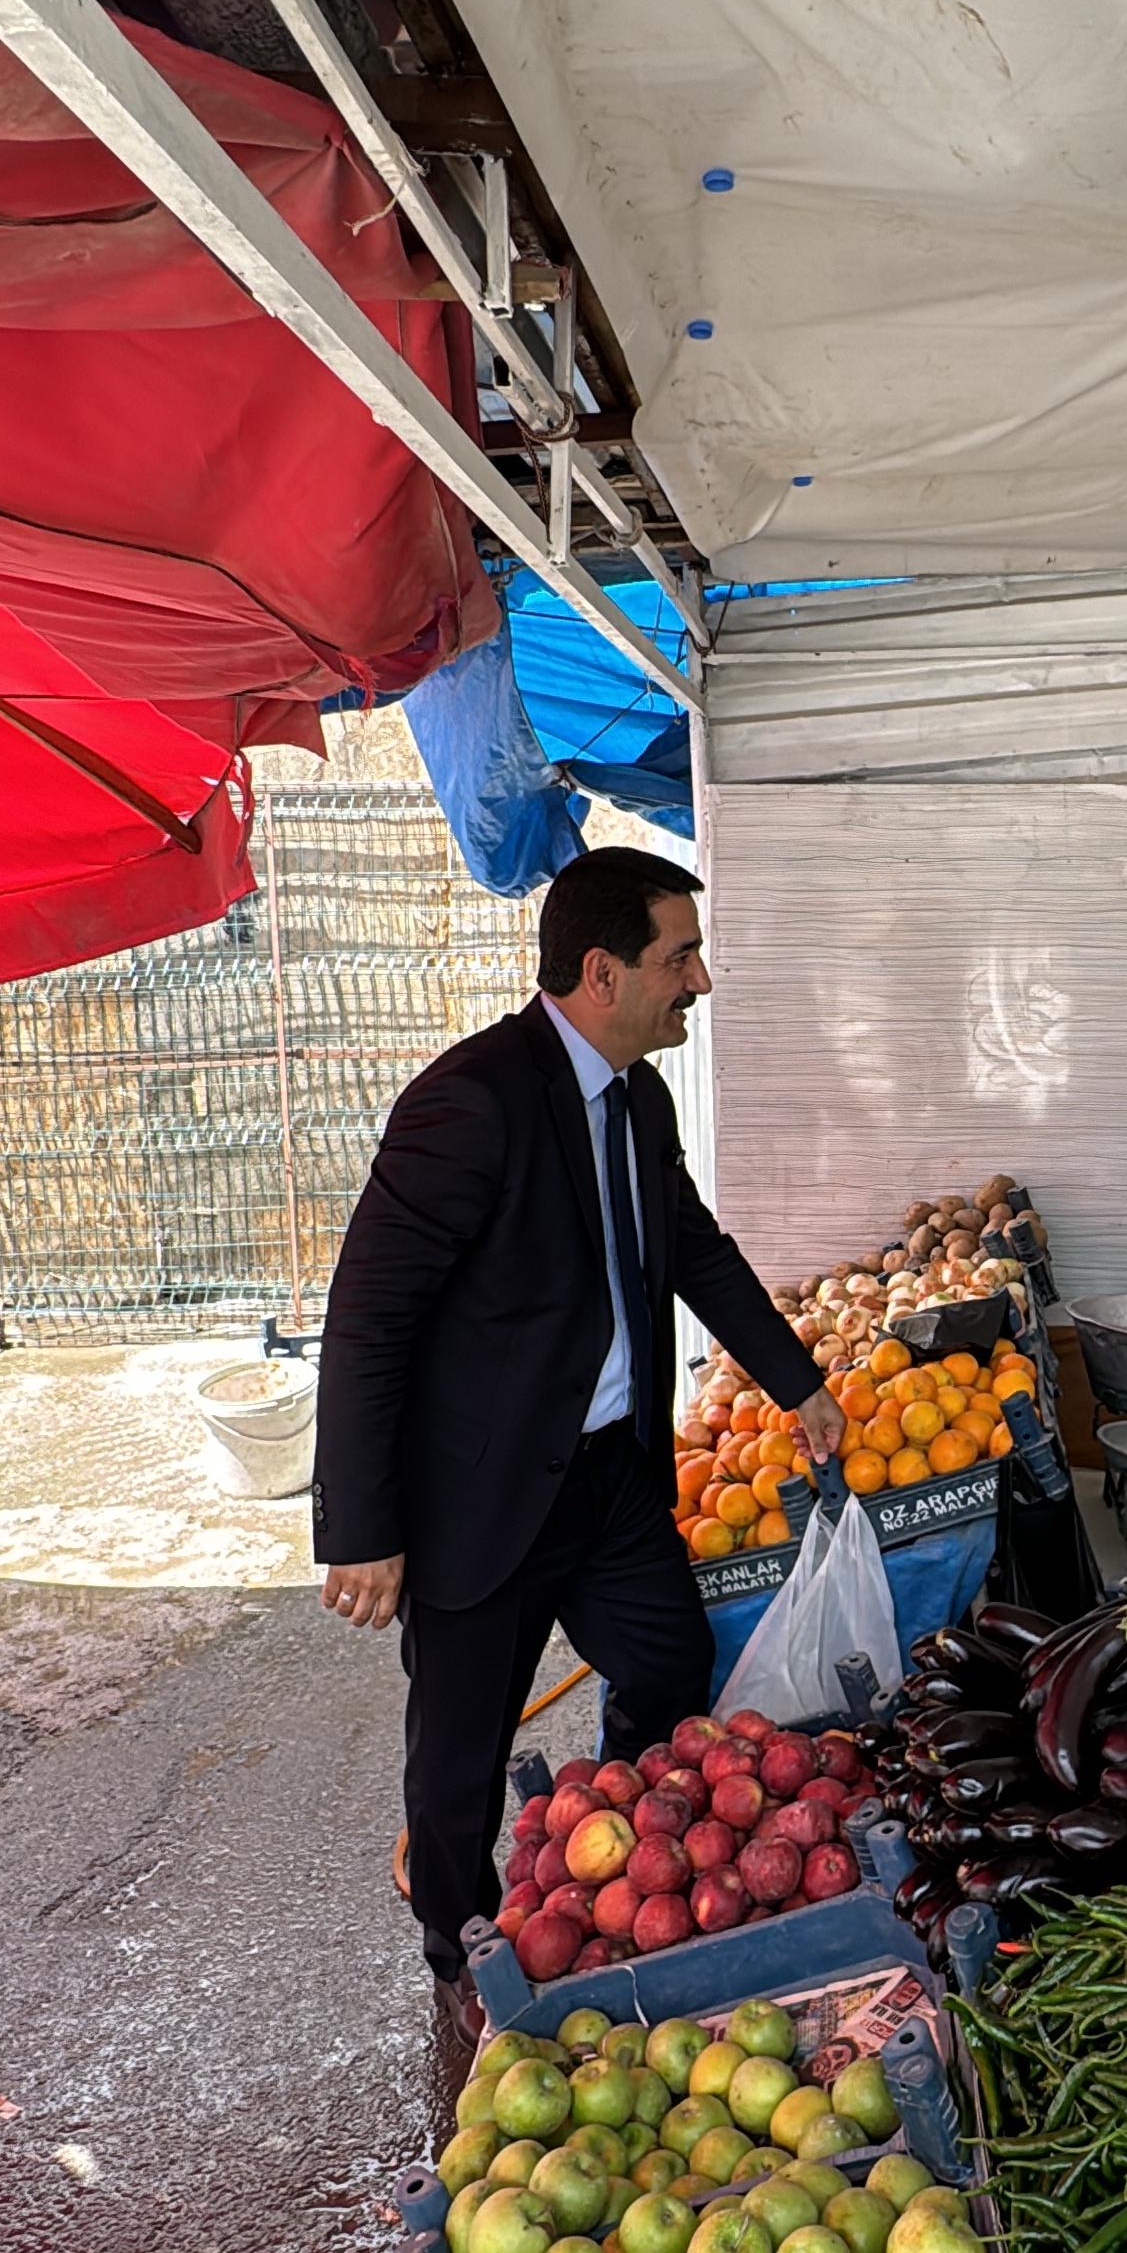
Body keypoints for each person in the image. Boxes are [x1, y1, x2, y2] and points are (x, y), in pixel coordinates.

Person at [313, 846, 844, 2036]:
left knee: (664, 1671)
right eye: (681, 956)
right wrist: (365, 1526)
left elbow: (691, 1247)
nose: (700, 981)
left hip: (610, 1484)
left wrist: (797, 1380)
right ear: (601, 970)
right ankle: (464, 1965)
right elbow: (370, 1314)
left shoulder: (641, 1099)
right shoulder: (471, 1102)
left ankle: (620, 1862)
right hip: (481, 1499)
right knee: (455, 1762)